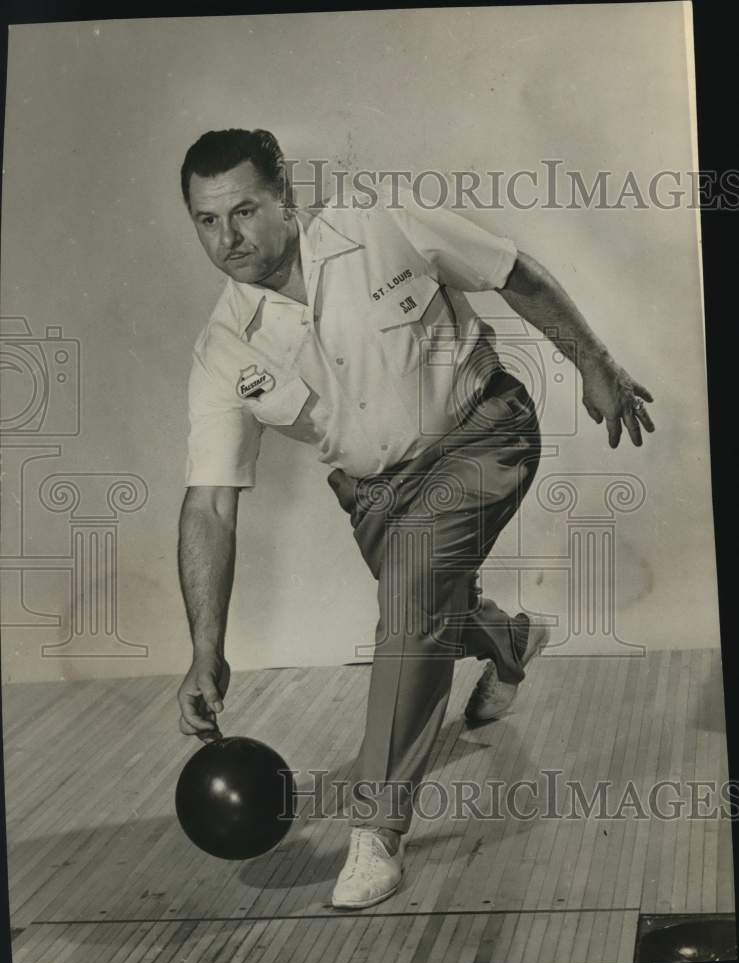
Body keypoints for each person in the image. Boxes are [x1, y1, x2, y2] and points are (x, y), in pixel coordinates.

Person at [176, 129, 654, 910]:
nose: (228, 238)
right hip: (376, 495)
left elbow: (513, 273)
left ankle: (376, 831)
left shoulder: (380, 221)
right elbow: (209, 502)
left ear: (284, 194)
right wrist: (204, 650)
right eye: (206, 220)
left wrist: (592, 363)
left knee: (410, 597)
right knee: (428, 601)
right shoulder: (224, 348)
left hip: (481, 432)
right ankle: (509, 639)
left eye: (245, 210)